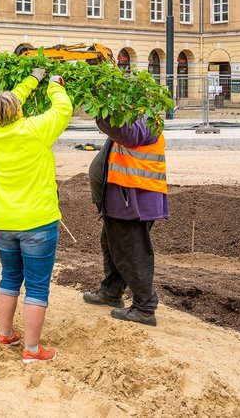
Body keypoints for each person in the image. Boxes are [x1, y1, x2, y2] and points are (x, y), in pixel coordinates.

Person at [0, 67, 72, 363]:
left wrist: (32, 80)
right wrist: (54, 84)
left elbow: (11, 100)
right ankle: (33, 350)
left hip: (4, 221)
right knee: (37, 286)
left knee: (9, 277)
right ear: (18, 110)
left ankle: (6, 334)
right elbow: (63, 107)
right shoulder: (35, 129)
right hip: (37, 222)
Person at [83, 115, 168, 326]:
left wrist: (101, 106)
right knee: (113, 244)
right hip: (123, 199)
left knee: (131, 251)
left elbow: (126, 133)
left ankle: (145, 308)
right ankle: (111, 291)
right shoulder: (134, 115)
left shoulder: (147, 120)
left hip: (134, 200)